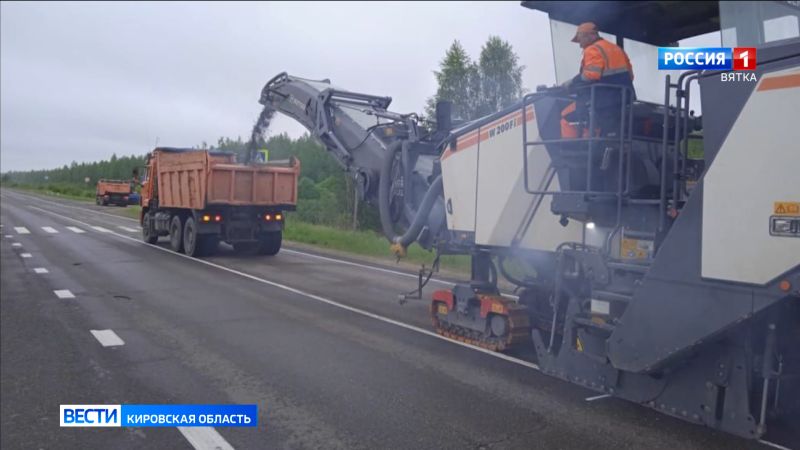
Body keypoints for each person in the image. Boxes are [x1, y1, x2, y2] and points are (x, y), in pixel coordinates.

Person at [560, 22, 635, 138]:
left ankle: (573, 148)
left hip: (604, 100)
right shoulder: (616, 48)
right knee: (613, 134)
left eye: (580, 39)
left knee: (565, 115)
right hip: (624, 98)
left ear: (589, 36)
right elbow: (630, 75)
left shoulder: (592, 49)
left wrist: (572, 82)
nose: (580, 44)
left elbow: (591, 75)